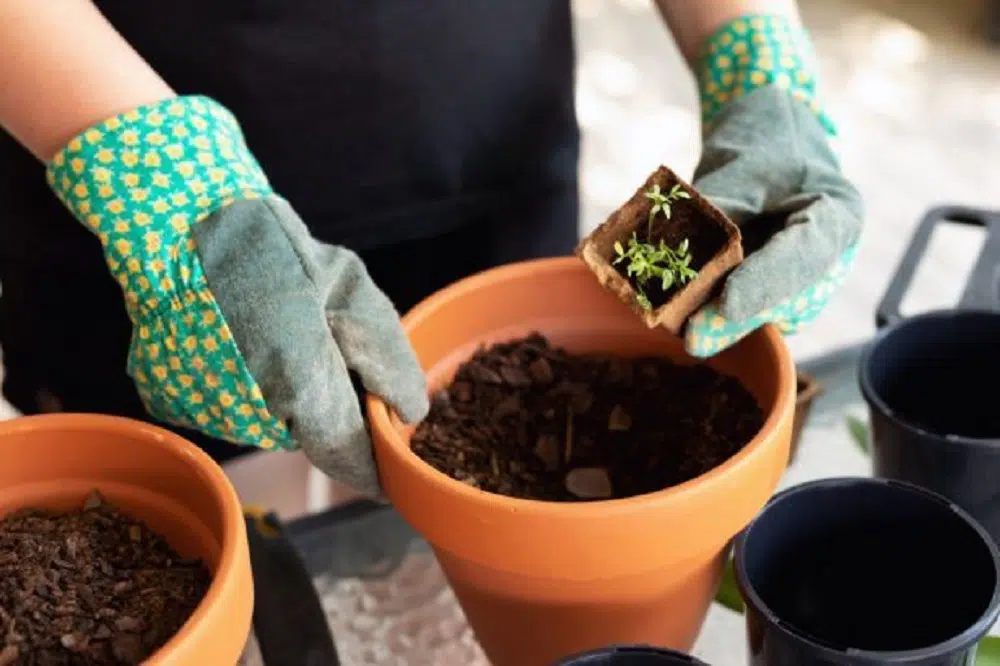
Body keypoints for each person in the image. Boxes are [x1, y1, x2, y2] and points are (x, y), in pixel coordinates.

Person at [0, 0, 862, 497]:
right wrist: (151, 179)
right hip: (138, 211)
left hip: (493, 154)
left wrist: (757, 58)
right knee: (221, 551)